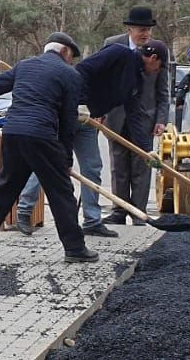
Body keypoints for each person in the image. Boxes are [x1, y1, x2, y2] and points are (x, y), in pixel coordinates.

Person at [12, 38, 169, 237]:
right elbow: (83, 70)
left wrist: (146, 150)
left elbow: (134, 114)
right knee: (51, 162)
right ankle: (24, 212)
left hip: (87, 121)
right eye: (159, 67)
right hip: (68, 114)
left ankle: (92, 221)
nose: (156, 71)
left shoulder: (135, 80)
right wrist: (78, 102)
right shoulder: (118, 53)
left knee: (92, 167)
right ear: (153, 58)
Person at [0, 34, 98, 264]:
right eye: (71, 57)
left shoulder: (24, 66)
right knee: (61, 192)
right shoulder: (70, 74)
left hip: (13, 134)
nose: (71, 62)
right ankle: (75, 248)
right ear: (65, 51)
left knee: (6, 189)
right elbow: (68, 120)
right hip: (41, 135)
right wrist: (65, 158)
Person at [103, 6, 170, 223]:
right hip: (116, 117)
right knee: (119, 166)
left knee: (142, 166)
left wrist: (161, 120)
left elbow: (163, 91)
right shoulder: (112, 45)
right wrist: (99, 110)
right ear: (129, 29)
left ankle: (139, 213)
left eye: (148, 29)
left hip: (144, 119)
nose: (145, 34)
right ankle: (119, 211)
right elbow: (102, 80)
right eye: (141, 29)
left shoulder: (158, 49)